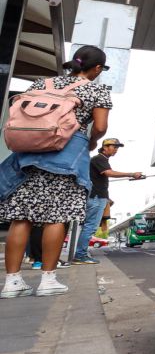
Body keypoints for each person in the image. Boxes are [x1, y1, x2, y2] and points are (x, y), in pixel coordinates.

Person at [1, 46, 113, 298]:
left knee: (21, 218)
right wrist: (91, 141)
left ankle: (12, 282)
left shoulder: (43, 83)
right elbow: (101, 126)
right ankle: (48, 280)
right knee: (57, 217)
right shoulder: (96, 90)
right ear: (97, 68)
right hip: (65, 157)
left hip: (28, 156)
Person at [73, 138, 143, 264]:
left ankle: (80, 254)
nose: (116, 149)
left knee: (89, 226)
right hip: (96, 197)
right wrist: (132, 174)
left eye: (117, 147)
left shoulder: (101, 159)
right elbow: (109, 173)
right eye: (114, 147)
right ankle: (80, 255)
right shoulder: (99, 159)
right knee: (90, 226)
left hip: (97, 196)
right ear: (105, 147)